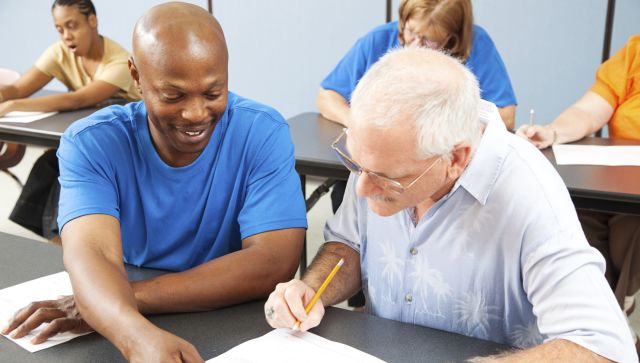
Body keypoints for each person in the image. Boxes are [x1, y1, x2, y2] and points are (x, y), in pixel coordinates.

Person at [264, 47, 636, 362]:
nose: (361, 188)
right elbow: (349, 245)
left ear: (456, 158)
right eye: (355, 163)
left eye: (386, 177)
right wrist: (313, 289)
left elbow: (603, 346)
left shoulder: (528, 193)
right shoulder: (379, 163)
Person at [2, 3, 307, 362]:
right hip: (123, 312)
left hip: (234, 316)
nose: (195, 114)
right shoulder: (91, 142)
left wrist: (120, 303)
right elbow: (92, 253)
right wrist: (132, 334)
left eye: (213, 92)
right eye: (173, 96)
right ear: (136, 75)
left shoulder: (262, 132)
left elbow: (273, 260)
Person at [320, 1, 517, 310]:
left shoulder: (521, 197)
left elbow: (505, 113)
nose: (415, 45)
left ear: (452, 39)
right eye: (410, 33)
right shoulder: (377, 40)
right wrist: (369, 128)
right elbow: (326, 94)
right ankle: (364, 299)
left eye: (429, 40)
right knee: (351, 195)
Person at [516, 36, 640, 334]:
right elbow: (590, 110)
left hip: (634, 207)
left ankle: (623, 334)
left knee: (632, 231)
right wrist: (553, 132)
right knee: (573, 218)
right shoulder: (635, 51)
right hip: (610, 188)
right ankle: (578, 329)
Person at [4, 0, 140, 240]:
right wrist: (6, 96)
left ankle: (65, 240)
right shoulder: (60, 53)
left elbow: (78, 100)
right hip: (90, 137)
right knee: (48, 163)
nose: (66, 36)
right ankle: (55, 239)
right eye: (59, 29)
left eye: (72, 26)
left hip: (130, 145)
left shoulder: (119, 61)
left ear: (92, 21)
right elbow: (16, 88)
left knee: (69, 164)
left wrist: (14, 105)